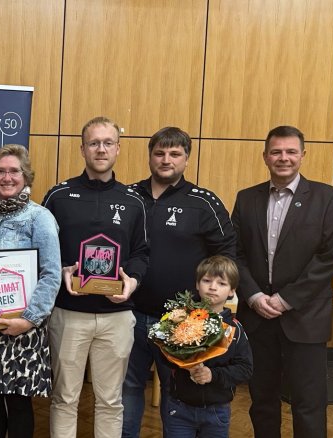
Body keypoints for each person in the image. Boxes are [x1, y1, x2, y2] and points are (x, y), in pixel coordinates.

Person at [231, 126, 333, 438]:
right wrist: (254, 296)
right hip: (257, 317)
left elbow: (331, 257)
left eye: (291, 151)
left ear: (302, 155)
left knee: (309, 403)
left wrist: (285, 300)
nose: (284, 158)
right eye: (276, 152)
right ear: (265, 157)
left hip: (305, 317)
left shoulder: (329, 199)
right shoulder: (246, 199)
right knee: (262, 401)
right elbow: (235, 253)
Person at [122, 127, 237, 437]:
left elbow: (227, 254)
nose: (166, 159)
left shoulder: (204, 202)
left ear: (187, 159)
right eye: (159, 153)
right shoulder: (128, 197)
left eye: (175, 154)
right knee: (127, 388)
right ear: (150, 156)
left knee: (177, 393)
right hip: (129, 314)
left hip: (182, 322)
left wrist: (210, 305)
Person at [42, 117, 149, 438]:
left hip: (117, 316)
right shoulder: (58, 196)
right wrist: (63, 270)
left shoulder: (134, 200)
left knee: (111, 401)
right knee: (64, 399)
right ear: (82, 149)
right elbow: (43, 249)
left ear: (118, 149)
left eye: (107, 143)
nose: (100, 149)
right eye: (93, 143)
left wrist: (131, 282)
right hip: (68, 313)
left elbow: (141, 253)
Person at [0, 144, 61, 438]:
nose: (7, 177)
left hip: (23, 327)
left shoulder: (40, 217)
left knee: (18, 403)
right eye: (0, 171)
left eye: (14, 171)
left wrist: (28, 320)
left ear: (25, 176)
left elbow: (51, 274)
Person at [163, 255, 252, 438]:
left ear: (232, 291)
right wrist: (187, 365)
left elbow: (245, 369)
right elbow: (165, 354)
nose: (212, 287)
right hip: (180, 408)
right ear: (197, 284)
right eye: (207, 281)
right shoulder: (181, 320)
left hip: (216, 411)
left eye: (221, 283)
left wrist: (212, 375)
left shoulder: (235, 329)